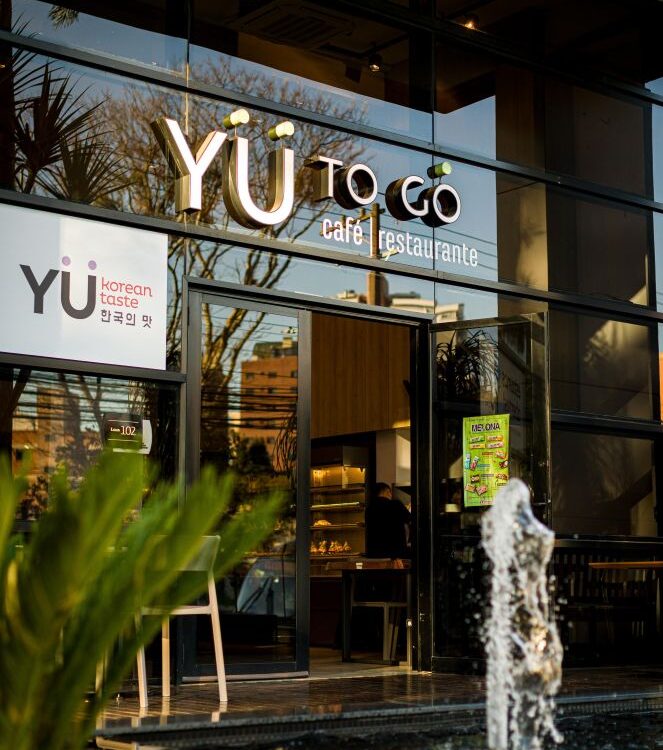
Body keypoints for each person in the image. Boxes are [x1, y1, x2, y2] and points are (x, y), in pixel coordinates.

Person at [365, 482, 411, 559]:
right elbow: (410, 520)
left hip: (374, 554)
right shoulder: (396, 504)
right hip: (395, 554)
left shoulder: (369, 508)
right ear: (387, 491)